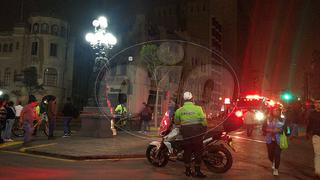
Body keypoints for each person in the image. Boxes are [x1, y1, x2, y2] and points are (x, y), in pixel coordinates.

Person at [174, 91, 207, 178]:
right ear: (192, 99)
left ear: (183, 100)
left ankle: (188, 171)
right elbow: (204, 121)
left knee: (187, 151)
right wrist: (204, 129)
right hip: (197, 133)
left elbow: (176, 121)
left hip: (186, 133)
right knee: (198, 151)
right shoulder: (198, 108)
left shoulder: (179, 110)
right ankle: (197, 171)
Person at [263, 106, 286, 176]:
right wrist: (269, 130)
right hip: (269, 140)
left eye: (277, 111)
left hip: (279, 140)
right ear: (272, 111)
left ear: (280, 112)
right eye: (274, 110)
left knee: (277, 154)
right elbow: (263, 128)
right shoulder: (267, 119)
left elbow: (287, 130)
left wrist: (281, 130)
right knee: (270, 155)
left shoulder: (283, 119)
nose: (276, 112)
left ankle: (276, 169)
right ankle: (273, 161)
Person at [307, 100, 320, 179]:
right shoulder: (312, 114)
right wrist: (308, 132)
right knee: (318, 154)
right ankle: (318, 172)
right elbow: (310, 124)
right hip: (316, 135)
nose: (317, 105)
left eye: (319, 103)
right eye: (316, 103)